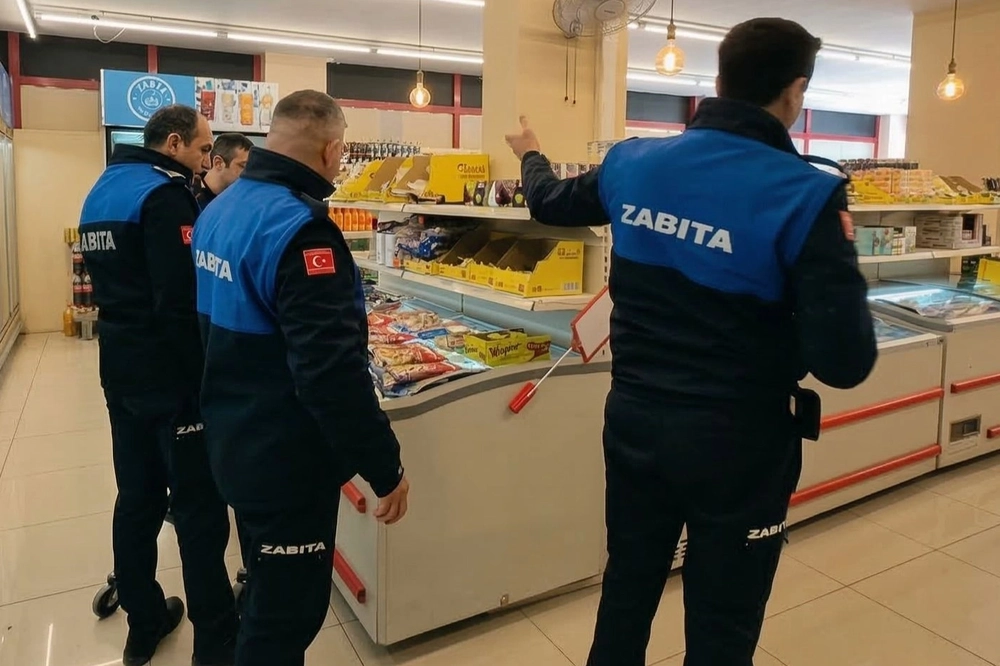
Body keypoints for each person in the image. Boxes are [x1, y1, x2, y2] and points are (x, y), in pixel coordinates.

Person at [505, 17, 877, 666]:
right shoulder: (807, 192)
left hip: (635, 421)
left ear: (719, 80)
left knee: (628, 587)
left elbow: (549, 202)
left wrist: (531, 152)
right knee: (721, 622)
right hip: (741, 442)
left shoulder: (632, 163)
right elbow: (844, 362)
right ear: (796, 90)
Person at [193, 90, 410, 666]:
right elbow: (329, 375)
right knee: (282, 624)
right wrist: (384, 467)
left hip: (233, 439)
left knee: (264, 587)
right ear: (332, 149)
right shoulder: (301, 229)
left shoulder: (219, 209)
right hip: (284, 460)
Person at [79, 104, 238, 666]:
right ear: (173, 143)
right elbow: (178, 303)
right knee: (198, 510)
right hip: (169, 378)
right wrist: (205, 382)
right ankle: (216, 640)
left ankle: (143, 623)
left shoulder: (101, 190)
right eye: (202, 149)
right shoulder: (165, 195)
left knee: (137, 498)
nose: (206, 161)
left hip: (118, 365)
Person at [196, 133, 254, 208]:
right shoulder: (189, 199)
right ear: (218, 163)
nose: (249, 173)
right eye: (243, 166)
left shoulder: (239, 201)